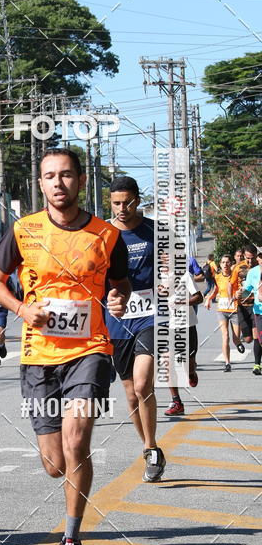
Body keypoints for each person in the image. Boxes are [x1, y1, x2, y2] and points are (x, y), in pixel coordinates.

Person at [0, 149, 130, 545]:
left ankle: (72, 539)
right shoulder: (24, 230)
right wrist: (20, 308)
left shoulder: (106, 235)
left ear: (81, 181)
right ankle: (69, 499)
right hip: (38, 354)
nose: (57, 183)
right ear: (41, 183)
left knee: (76, 441)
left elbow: (118, 285)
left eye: (66, 175)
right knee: (54, 463)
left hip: (90, 349)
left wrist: (118, 299)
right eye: (49, 176)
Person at [106, 176, 166, 483]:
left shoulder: (156, 231)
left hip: (150, 316)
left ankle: (152, 448)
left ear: (138, 200)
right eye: (115, 203)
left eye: (127, 202)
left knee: (143, 385)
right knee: (130, 395)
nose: (121, 208)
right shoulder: (102, 234)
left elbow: (175, 270)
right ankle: (148, 447)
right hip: (117, 319)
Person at [164, 271, 203, 416]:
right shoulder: (155, 276)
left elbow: (199, 297)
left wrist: (181, 303)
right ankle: (177, 402)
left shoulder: (185, 275)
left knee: (188, 366)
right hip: (166, 326)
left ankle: (191, 373)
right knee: (167, 361)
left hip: (186, 325)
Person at [204, 254, 241, 372]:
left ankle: (239, 343)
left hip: (234, 310)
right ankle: (227, 363)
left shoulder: (235, 276)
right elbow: (216, 290)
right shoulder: (218, 277)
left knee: (236, 338)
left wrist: (237, 295)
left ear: (231, 264)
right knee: (225, 336)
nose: (225, 264)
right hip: (222, 310)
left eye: (227, 262)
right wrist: (209, 299)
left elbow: (240, 290)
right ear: (220, 264)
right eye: (223, 262)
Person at [234, 247, 262, 375]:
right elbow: (245, 289)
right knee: (255, 337)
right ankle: (257, 364)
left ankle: (257, 364)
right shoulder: (248, 271)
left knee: (257, 336)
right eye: (247, 258)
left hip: (255, 307)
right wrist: (238, 294)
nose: (250, 261)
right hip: (255, 309)